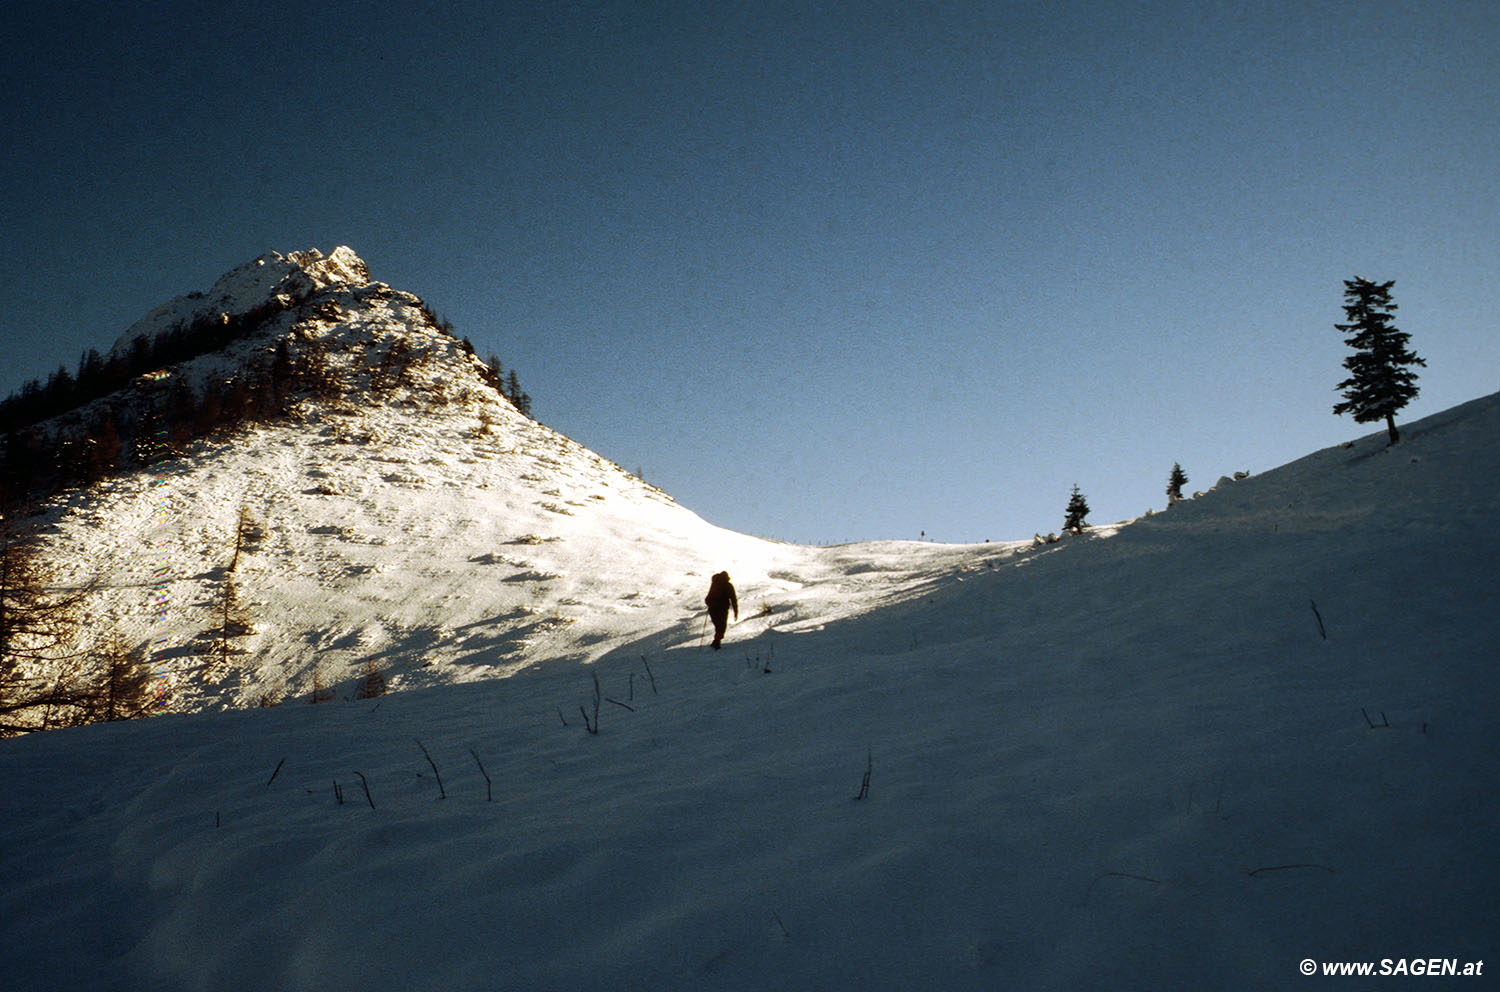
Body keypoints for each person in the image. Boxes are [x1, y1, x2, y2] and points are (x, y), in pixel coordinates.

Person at [704, 571, 738, 649]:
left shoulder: (715, 584)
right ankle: (717, 642)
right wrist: (736, 611)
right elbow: (733, 599)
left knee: (717, 625)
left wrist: (710, 604)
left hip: (713, 609)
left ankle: (716, 641)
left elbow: (708, 597)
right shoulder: (728, 585)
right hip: (722, 609)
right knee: (722, 626)